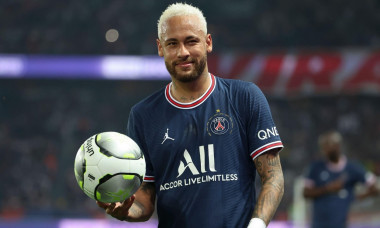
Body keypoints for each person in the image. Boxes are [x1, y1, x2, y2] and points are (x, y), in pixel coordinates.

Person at [97, 3, 284, 227]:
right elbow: (146, 198)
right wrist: (126, 210)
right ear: (160, 48)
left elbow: (273, 177)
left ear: (208, 42)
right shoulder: (143, 115)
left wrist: (257, 224)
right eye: (172, 43)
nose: (182, 52)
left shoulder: (244, 97)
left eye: (191, 41)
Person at [303, 131, 378, 228]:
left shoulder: (353, 168)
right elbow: (306, 193)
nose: (327, 149)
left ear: (338, 145)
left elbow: (375, 188)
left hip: (340, 224)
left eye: (329, 145)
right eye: (324, 146)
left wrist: (355, 197)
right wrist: (328, 188)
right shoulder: (315, 168)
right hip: (318, 224)